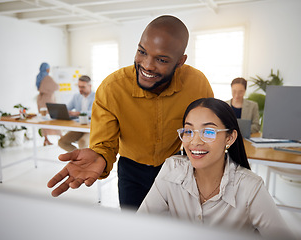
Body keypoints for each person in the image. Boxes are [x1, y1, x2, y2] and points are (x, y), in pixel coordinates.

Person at [47, 15, 214, 210]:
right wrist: (99, 156)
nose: (147, 65)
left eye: (161, 59)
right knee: (134, 225)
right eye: (142, 52)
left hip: (177, 167)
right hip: (131, 170)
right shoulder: (112, 88)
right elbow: (105, 144)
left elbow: (209, 130)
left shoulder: (197, 84)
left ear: (180, 61)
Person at [137, 98, 294, 239]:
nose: (195, 141)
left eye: (209, 131)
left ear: (230, 138)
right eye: (189, 131)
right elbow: (140, 227)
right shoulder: (171, 169)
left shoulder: (250, 187)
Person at [58, 75, 95, 152]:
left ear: (90, 86)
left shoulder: (96, 96)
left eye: (83, 87)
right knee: (62, 142)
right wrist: (62, 111)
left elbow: (94, 113)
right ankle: (78, 156)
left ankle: (82, 160)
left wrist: (78, 113)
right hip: (79, 126)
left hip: (91, 127)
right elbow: (67, 108)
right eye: (79, 87)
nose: (80, 89)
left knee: (82, 142)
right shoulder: (76, 96)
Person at [36, 62, 61, 146]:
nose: (49, 69)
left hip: (41, 100)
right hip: (48, 100)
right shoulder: (47, 78)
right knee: (54, 118)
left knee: (43, 120)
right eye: (48, 68)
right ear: (47, 69)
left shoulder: (39, 77)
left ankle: (46, 139)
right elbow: (56, 87)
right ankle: (61, 137)